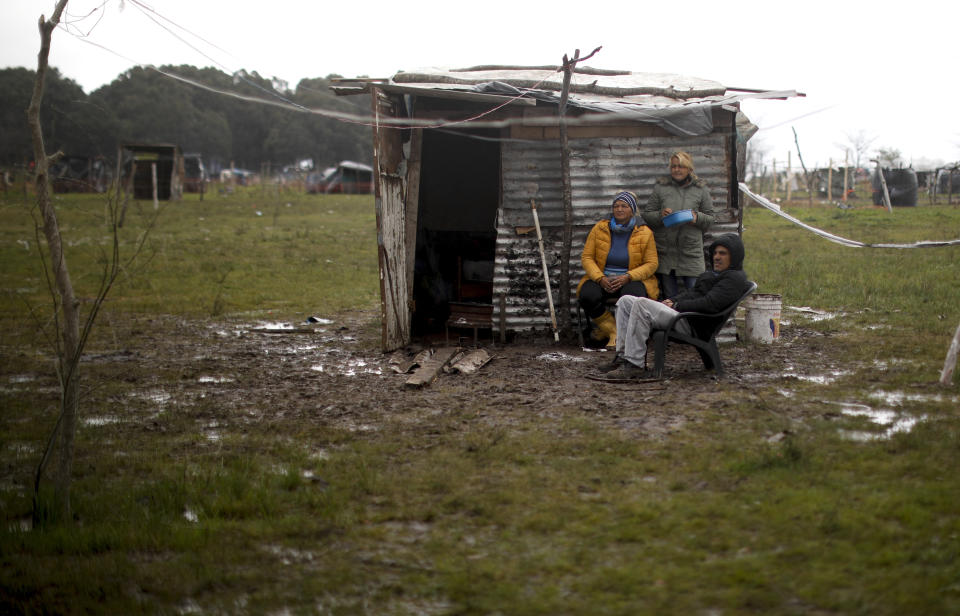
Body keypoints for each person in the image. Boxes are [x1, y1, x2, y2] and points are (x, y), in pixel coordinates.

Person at [594, 233, 749, 380]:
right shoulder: (713, 274)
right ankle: (622, 357)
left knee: (641, 304)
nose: (717, 257)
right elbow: (692, 293)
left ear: (734, 256)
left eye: (723, 254)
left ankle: (634, 364)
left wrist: (677, 305)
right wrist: (671, 300)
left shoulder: (734, 278)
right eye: (715, 253)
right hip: (684, 315)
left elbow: (710, 304)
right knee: (625, 301)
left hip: (693, 322)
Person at [577, 191, 659, 348]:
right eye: (616, 206)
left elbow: (651, 263)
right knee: (587, 295)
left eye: (624, 206)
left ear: (632, 210)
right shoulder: (599, 228)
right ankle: (612, 330)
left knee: (634, 298)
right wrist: (600, 278)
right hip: (603, 277)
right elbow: (587, 257)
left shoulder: (644, 232)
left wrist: (628, 276)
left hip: (631, 279)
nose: (619, 209)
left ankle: (624, 334)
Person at [642, 151, 715, 299]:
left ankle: (690, 323)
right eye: (674, 166)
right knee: (670, 301)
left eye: (681, 166)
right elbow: (647, 215)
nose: (677, 170)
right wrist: (660, 215)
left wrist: (696, 217)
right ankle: (673, 323)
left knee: (695, 298)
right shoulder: (661, 188)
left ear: (689, 168)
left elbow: (711, 218)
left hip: (691, 253)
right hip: (666, 254)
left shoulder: (701, 189)